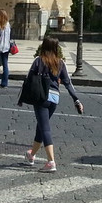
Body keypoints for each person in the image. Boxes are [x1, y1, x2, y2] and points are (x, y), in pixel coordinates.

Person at [19, 36, 83, 172]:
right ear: (56, 48)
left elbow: (28, 80)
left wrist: (22, 98)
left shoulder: (38, 60)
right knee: (41, 127)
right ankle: (31, 155)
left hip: (41, 98)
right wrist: (76, 100)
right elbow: (68, 83)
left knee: (45, 129)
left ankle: (51, 162)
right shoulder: (60, 63)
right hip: (54, 99)